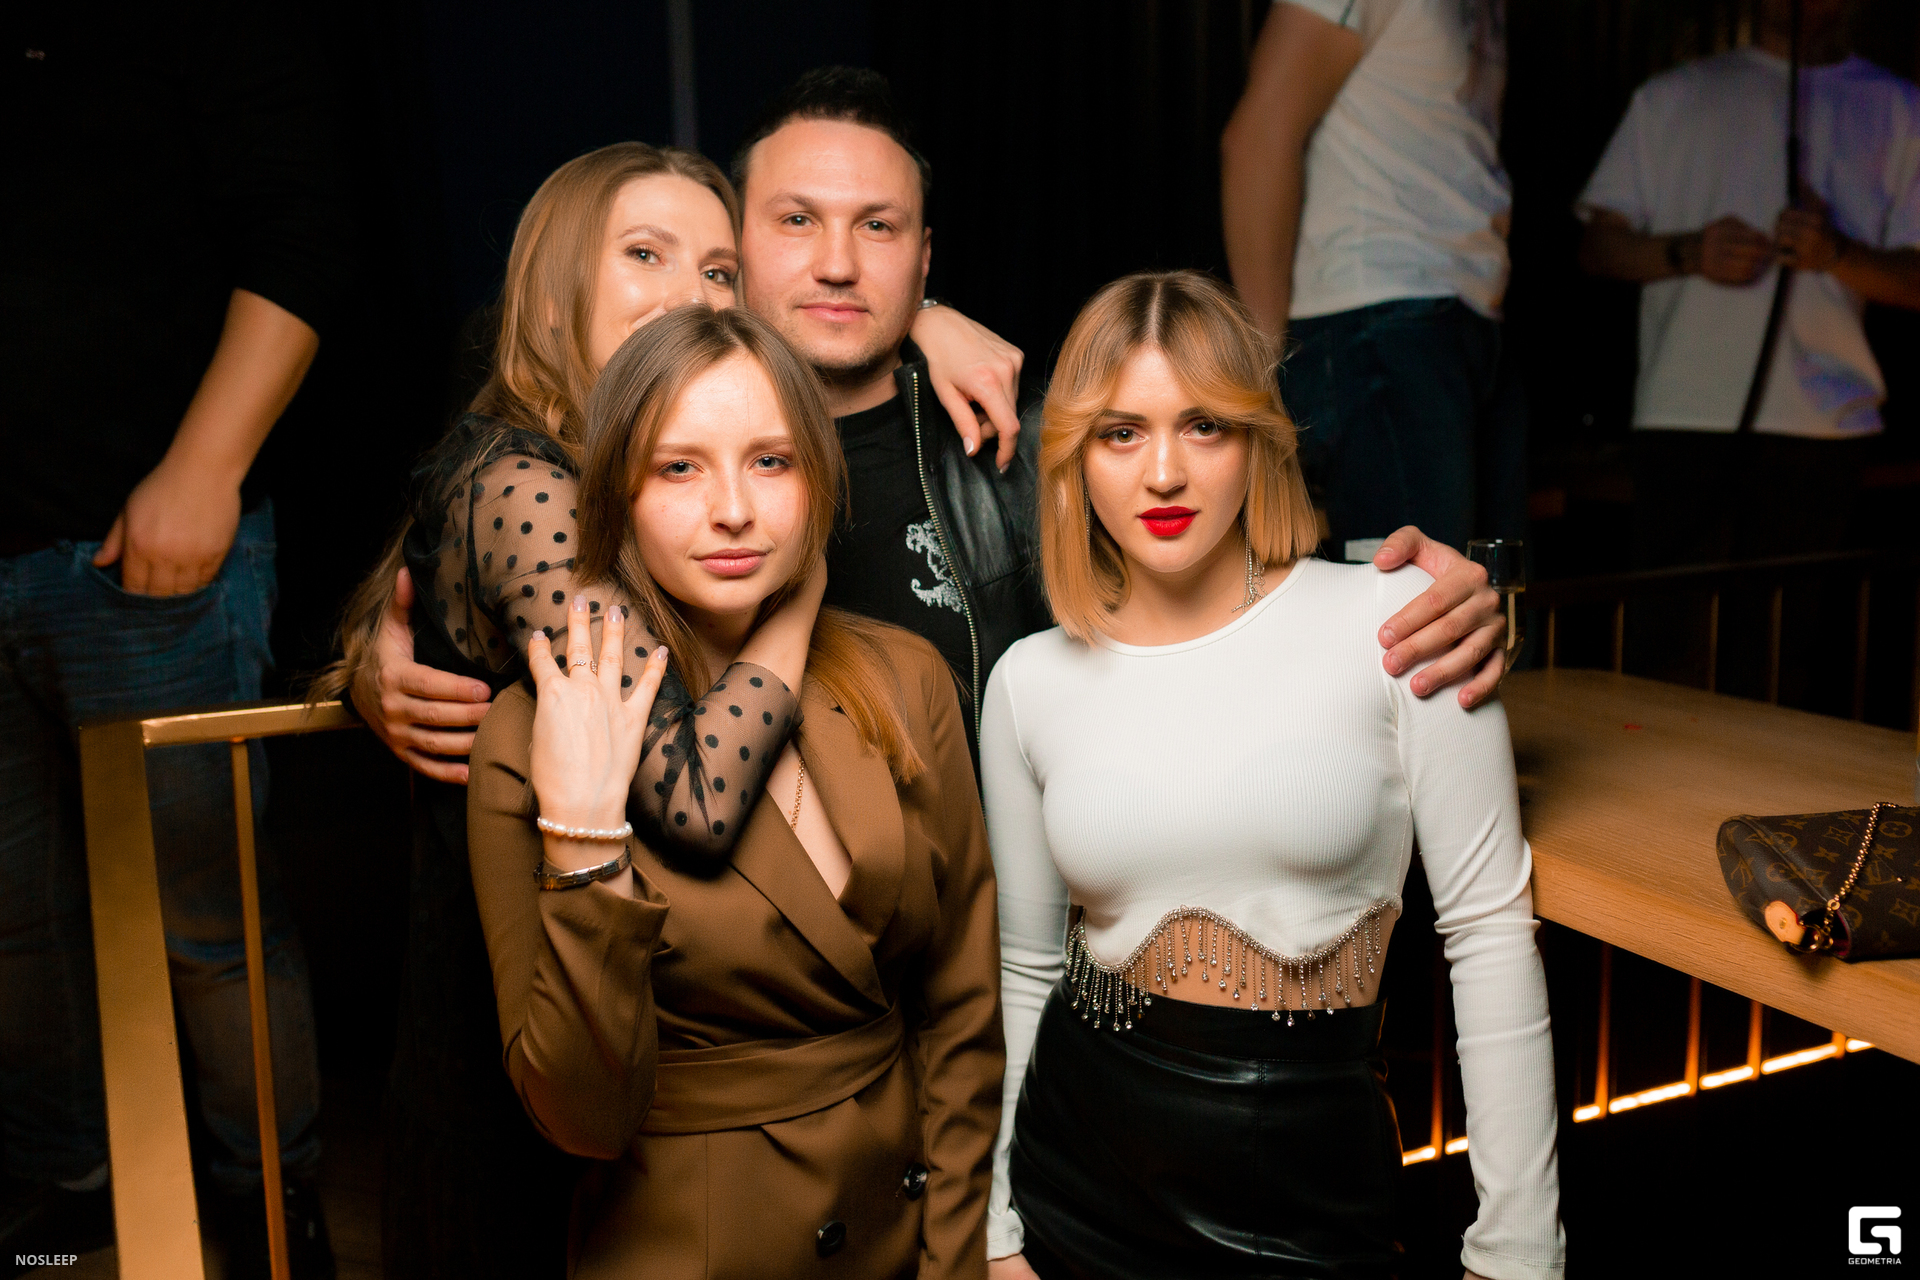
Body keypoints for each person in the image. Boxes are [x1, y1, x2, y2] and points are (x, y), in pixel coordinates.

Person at [311, 140, 1026, 1277]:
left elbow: (955, 1002)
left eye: (718, 270)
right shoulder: (524, 477)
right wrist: (798, 599)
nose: (692, 294)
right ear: (555, 291)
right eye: (644, 255)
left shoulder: (588, 446)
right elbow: (691, 795)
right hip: (550, 1022)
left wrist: (916, 322)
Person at [980, 272, 1563, 1280]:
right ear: (1074, 460)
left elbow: (1489, 932)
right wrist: (1000, 1229)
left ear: (1259, 440)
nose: (1164, 472)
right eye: (1121, 433)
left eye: (1203, 425)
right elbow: (1028, 970)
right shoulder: (1029, 681)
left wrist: (1517, 1250)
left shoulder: (1400, 621)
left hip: (1314, 1192)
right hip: (1074, 1185)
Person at [467, 302, 1003, 1277]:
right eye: (679, 467)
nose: (733, 509)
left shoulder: (904, 677)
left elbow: (963, 1013)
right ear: (616, 493)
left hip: (904, 1233)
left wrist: (956, 1257)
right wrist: (584, 839)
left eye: (771, 461)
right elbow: (581, 1115)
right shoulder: (536, 728)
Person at [1, 3, 343, 1271]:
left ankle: (271, 1201)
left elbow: (300, 234)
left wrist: (205, 468)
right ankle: (71, 1182)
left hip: (147, 546)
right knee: (14, 923)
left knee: (210, 923)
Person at [1576, 0, 1920, 574]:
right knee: (1676, 622)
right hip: (1684, 417)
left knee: (1792, 626)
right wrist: (1690, 252)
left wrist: (1835, 253)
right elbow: (1596, 247)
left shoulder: (1897, 106)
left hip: (1824, 424)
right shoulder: (1673, 96)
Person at [1221, 0, 1525, 561]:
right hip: (1378, 313)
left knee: (1490, 590)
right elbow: (1259, 135)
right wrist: (1265, 374)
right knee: (1413, 596)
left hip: (1471, 304)